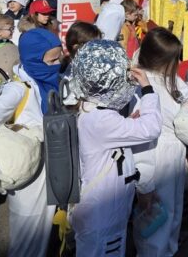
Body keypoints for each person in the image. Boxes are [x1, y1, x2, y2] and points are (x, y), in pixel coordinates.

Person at [0, 28, 61, 257]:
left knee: (46, 232)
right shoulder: (17, 89)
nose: (57, 65)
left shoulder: (53, 82)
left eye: (59, 58)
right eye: (51, 60)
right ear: (35, 59)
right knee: (27, 236)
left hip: (54, 166)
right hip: (28, 172)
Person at [67, 39, 162, 257]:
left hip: (98, 211)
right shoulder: (102, 120)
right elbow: (151, 128)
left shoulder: (90, 109)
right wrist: (147, 88)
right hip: (103, 214)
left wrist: (127, 123)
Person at [131, 28, 188, 257]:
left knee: (173, 210)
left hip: (174, 153)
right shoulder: (143, 88)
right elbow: (140, 139)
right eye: (174, 59)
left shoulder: (172, 80)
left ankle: (168, 250)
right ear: (162, 60)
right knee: (156, 214)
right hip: (157, 155)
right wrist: (144, 183)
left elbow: (186, 100)